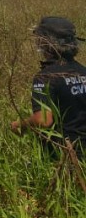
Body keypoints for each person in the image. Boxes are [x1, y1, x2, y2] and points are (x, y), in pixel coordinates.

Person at [11, 16, 86, 160]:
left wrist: (19, 124)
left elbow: (43, 119)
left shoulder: (45, 77)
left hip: (66, 156)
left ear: (44, 43)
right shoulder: (83, 71)